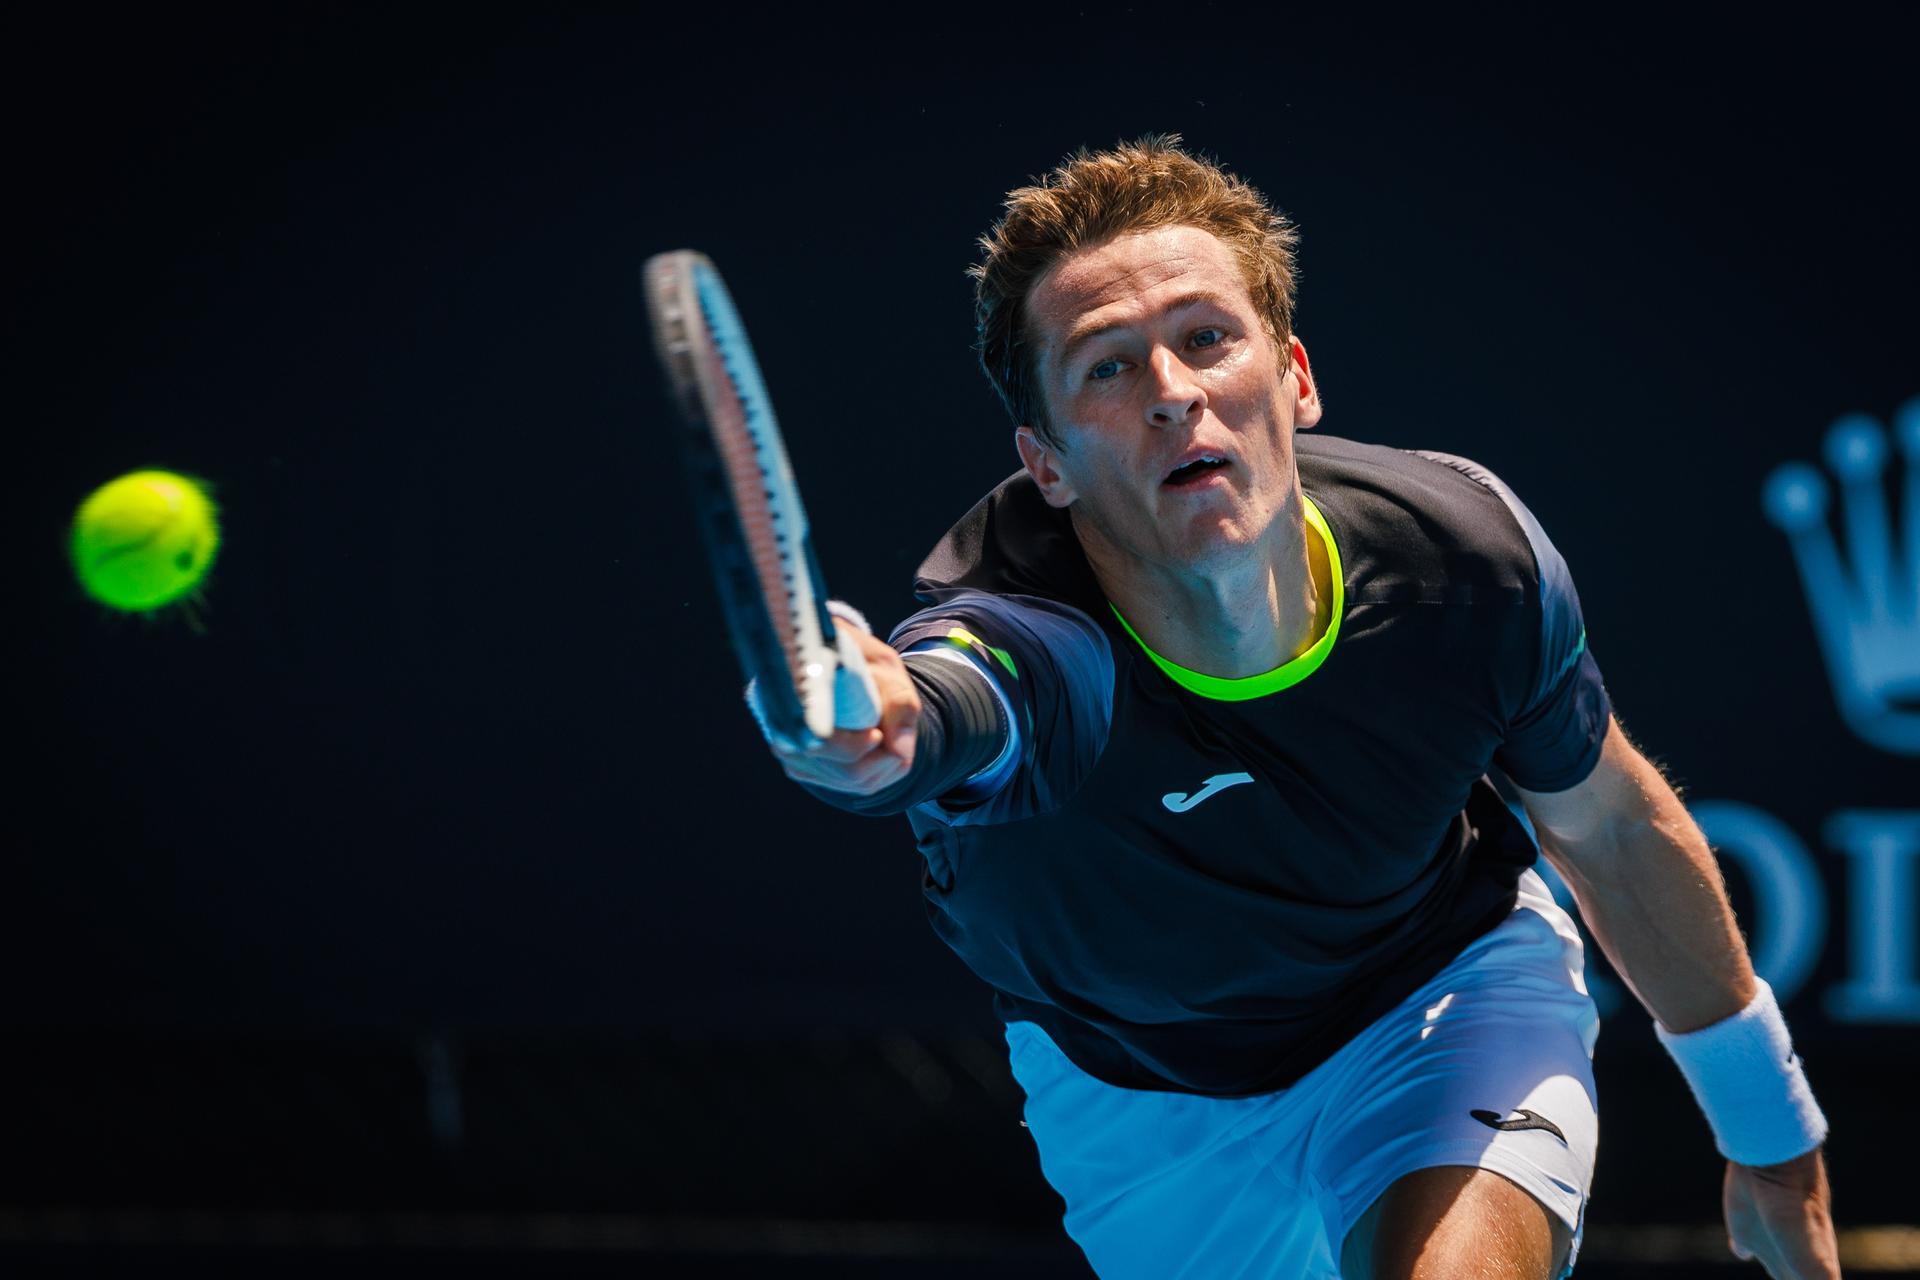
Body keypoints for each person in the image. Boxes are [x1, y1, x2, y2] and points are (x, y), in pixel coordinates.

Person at [764, 136, 1839, 1279]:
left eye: (1206, 337)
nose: (1173, 393)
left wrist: (1773, 1139)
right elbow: (955, 702)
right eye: (1106, 367)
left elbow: (1614, 831)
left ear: (1295, 378)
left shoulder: (1461, 563)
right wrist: (880, 721)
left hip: (1440, 1001)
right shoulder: (1027, 636)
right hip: (1143, 1104)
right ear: (1048, 464)